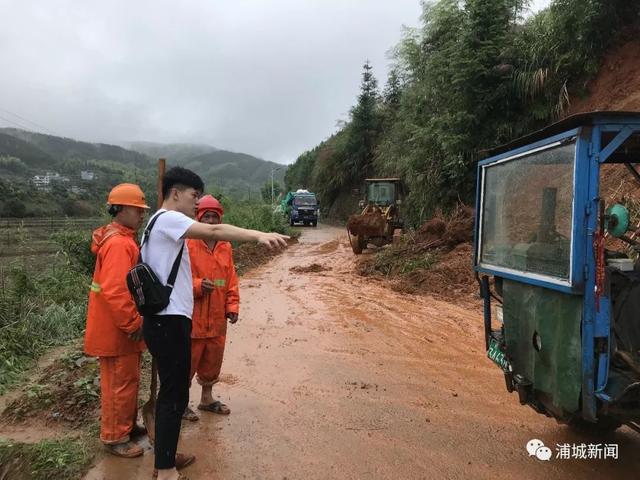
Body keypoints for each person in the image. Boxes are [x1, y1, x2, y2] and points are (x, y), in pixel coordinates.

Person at [141, 167, 288, 480]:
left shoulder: (159, 224)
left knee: (175, 394)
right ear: (175, 193)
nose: (196, 206)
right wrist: (258, 235)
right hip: (169, 322)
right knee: (173, 397)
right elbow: (214, 232)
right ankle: (165, 470)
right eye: (194, 197)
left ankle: (166, 459)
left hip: (167, 320)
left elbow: (226, 268)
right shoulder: (169, 219)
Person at [84, 183, 149, 458]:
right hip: (117, 329)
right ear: (120, 209)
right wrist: (133, 322)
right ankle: (114, 438)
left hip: (118, 328)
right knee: (118, 385)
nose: (141, 215)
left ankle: (127, 426)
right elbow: (116, 290)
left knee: (127, 381)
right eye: (137, 209)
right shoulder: (119, 243)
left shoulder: (120, 238)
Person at [182, 195, 239, 422]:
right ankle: (181, 403)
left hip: (216, 318)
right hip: (193, 317)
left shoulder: (225, 246)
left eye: (215, 217)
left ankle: (206, 399)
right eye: (207, 217)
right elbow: (177, 279)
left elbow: (231, 278)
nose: (212, 221)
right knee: (188, 361)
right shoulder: (187, 243)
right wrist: (196, 286)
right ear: (199, 218)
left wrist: (232, 305)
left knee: (212, 359)